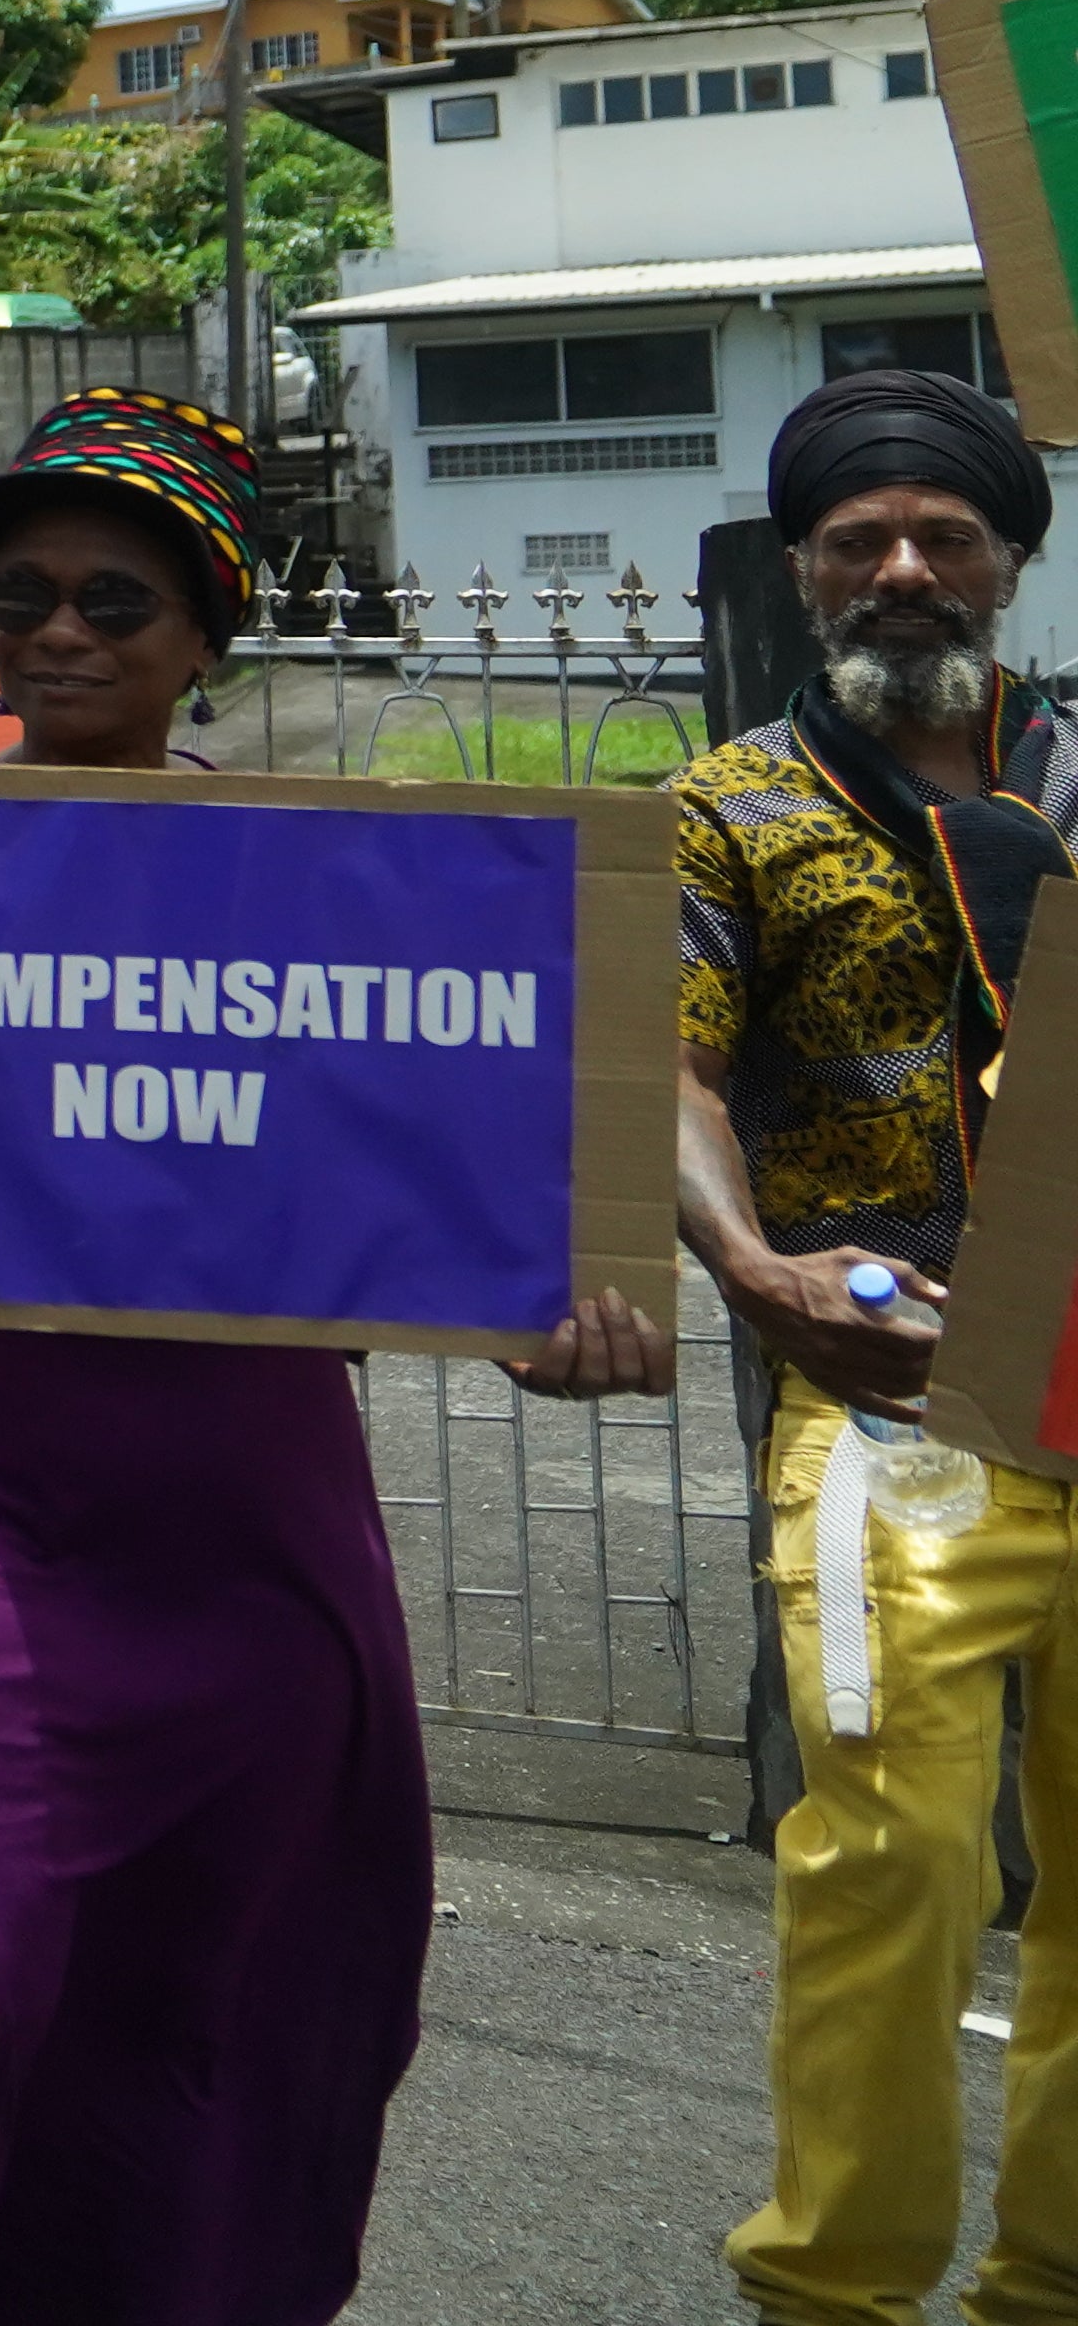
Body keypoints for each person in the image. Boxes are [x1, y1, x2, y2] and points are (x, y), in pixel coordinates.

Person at [0, 386, 663, 2326]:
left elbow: (437, 1174)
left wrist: (551, 1317)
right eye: (26, 594)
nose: (59, 631)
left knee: (180, 1984)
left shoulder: (327, 889)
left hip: (237, 1519)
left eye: (115, 600)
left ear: (209, 631)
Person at [673, 368, 1078, 2322]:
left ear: (1013, 559)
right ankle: (834, 2284)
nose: (904, 565)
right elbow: (659, 1061)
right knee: (896, 1852)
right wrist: (747, 1256)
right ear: (809, 567)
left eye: (944, 534)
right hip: (892, 1391)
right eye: (860, 539)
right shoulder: (733, 803)